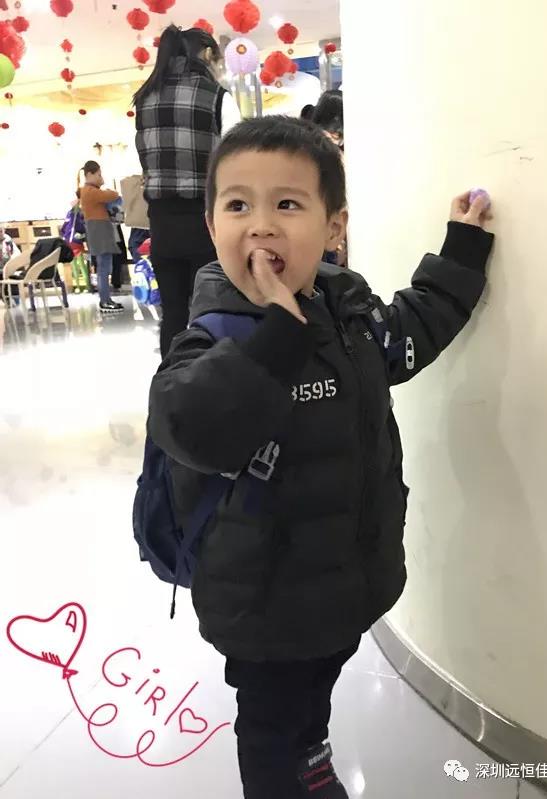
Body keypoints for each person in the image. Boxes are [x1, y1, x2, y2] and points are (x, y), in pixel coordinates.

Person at [147, 116, 494, 798]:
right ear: (212, 226)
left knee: (314, 693)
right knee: (271, 722)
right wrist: (278, 335)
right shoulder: (213, 335)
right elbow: (189, 422)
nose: (261, 225)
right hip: (263, 606)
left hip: (344, 584)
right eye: (238, 205)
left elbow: (411, 330)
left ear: (334, 227)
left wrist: (461, 249)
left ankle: (312, 754)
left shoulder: (350, 315)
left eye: (287, 203)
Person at [134, 24, 241, 357]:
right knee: (210, 311)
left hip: (162, 224)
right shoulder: (216, 97)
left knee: (173, 313)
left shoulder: (145, 98)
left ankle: (172, 381)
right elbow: (237, 162)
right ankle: (212, 381)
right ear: (207, 54)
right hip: (206, 221)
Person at [79, 161, 124, 313]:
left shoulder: (89, 191)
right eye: (98, 175)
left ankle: (106, 299)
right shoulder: (90, 191)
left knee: (104, 266)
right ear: (89, 174)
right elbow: (112, 195)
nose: (101, 178)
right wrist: (111, 190)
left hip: (99, 231)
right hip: (99, 231)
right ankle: (105, 301)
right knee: (104, 267)